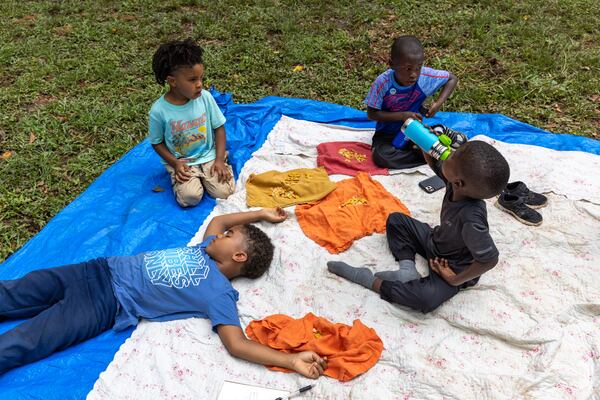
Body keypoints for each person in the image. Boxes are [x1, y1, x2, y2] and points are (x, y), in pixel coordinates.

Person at [0, 208, 327, 377]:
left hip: (105, 303)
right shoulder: (205, 247)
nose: (220, 234)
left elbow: (236, 343)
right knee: (15, 291)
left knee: (28, 340)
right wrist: (260, 214)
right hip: (94, 269)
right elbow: (221, 217)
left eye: (228, 236)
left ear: (238, 257)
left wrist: (291, 361)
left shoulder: (218, 294)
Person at [327, 141, 510, 313]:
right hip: (435, 241)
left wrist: (454, 279)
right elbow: (435, 163)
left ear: (458, 182)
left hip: (453, 266)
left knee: (426, 299)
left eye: (452, 155)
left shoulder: (471, 218)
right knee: (396, 220)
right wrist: (424, 141)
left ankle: (367, 279)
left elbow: (489, 259)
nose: (448, 154)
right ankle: (407, 270)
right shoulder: (455, 184)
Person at [149, 38, 235, 207]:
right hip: (183, 162)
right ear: (173, 81)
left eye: (201, 78)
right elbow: (157, 143)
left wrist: (218, 159)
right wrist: (175, 163)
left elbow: (219, 128)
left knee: (225, 193)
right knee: (190, 197)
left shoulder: (205, 98)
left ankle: (221, 162)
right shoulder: (159, 111)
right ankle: (179, 178)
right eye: (192, 80)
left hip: (209, 156)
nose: (199, 84)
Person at [364, 35, 458, 169]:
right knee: (381, 157)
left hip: (415, 131)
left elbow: (452, 79)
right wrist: (403, 116)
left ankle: (435, 142)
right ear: (392, 64)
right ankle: (430, 156)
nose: (414, 74)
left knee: (430, 146)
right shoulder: (382, 83)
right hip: (386, 135)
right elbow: (372, 114)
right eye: (407, 68)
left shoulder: (425, 77)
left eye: (418, 67)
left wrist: (437, 104)